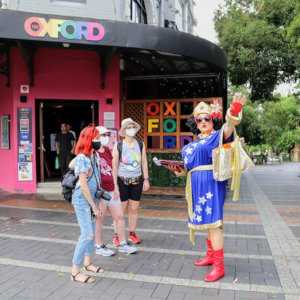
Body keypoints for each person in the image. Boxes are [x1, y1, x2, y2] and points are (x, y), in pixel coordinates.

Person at [170, 94, 246, 282]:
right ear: (195, 122)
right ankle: (211, 256)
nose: (203, 121)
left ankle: (219, 266)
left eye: (207, 118)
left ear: (213, 120)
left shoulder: (216, 137)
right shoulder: (190, 145)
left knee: (214, 224)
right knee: (205, 222)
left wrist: (234, 109)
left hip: (212, 184)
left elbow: (229, 127)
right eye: (199, 119)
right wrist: (177, 170)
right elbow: (187, 169)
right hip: (195, 186)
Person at [94, 126, 137, 255]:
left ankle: (123, 243)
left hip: (112, 190)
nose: (106, 137)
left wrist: (116, 187)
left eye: (107, 134)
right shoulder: (92, 153)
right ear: (96, 137)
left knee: (119, 217)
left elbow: (113, 170)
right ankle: (99, 245)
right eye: (103, 135)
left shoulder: (107, 150)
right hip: (100, 192)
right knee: (99, 219)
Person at [70, 125, 103, 284]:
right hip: (82, 200)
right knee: (87, 234)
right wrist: (94, 207)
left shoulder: (93, 155)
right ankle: (75, 272)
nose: (99, 140)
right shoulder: (82, 158)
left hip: (91, 199)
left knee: (91, 232)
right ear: (89, 140)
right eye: (96, 138)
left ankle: (88, 263)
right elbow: (83, 186)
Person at [112, 118, 150, 245]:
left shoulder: (140, 144)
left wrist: (146, 179)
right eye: (128, 127)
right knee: (120, 210)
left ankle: (132, 233)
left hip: (137, 180)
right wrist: (115, 185)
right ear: (124, 130)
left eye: (133, 127)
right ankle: (117, 235)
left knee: (134, 208)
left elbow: (144, 162)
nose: (131, 129)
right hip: (122, 180)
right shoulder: (118, 146)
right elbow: (114, 166)